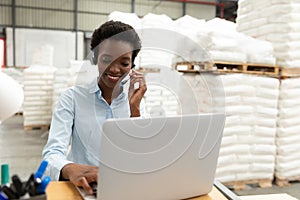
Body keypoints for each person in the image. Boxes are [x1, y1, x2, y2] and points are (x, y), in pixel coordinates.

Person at [42, 20, 147, 195]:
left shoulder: (136, 101)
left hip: (125, 188)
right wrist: (70, 169)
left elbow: (141, 155)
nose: (114, 69)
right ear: (94, 58)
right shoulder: (73, 98)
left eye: (124, 63)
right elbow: (51, 154)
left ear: (132, 66)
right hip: (85, 189)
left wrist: (134, 110)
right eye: (107, 59)